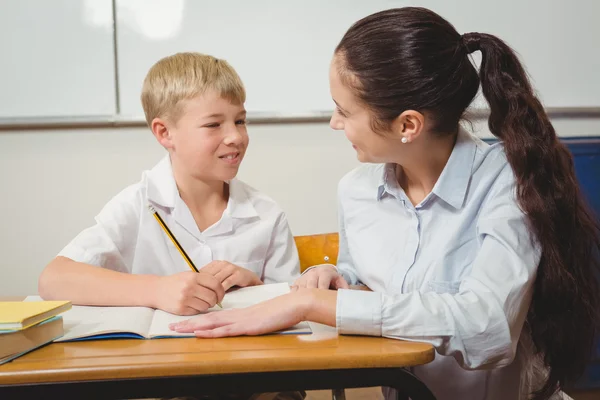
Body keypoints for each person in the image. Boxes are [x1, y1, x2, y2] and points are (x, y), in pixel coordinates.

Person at [170, 8, 600, 400]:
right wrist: (333, 279)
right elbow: (367, 283)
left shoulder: (506, 181)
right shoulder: (356, 190)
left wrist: (312, 305)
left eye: (344, 111)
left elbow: (486, 325)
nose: (335, 123)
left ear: (407, 125)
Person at [38, 52, 300, 317]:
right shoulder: (138, 204)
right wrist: (156, 290)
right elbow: (53, 280)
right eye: (213, 124)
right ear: (164, 133)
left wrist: (254, 286)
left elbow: (294, 303)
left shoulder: (268, 215)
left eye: (240, 121)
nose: (235, 136)